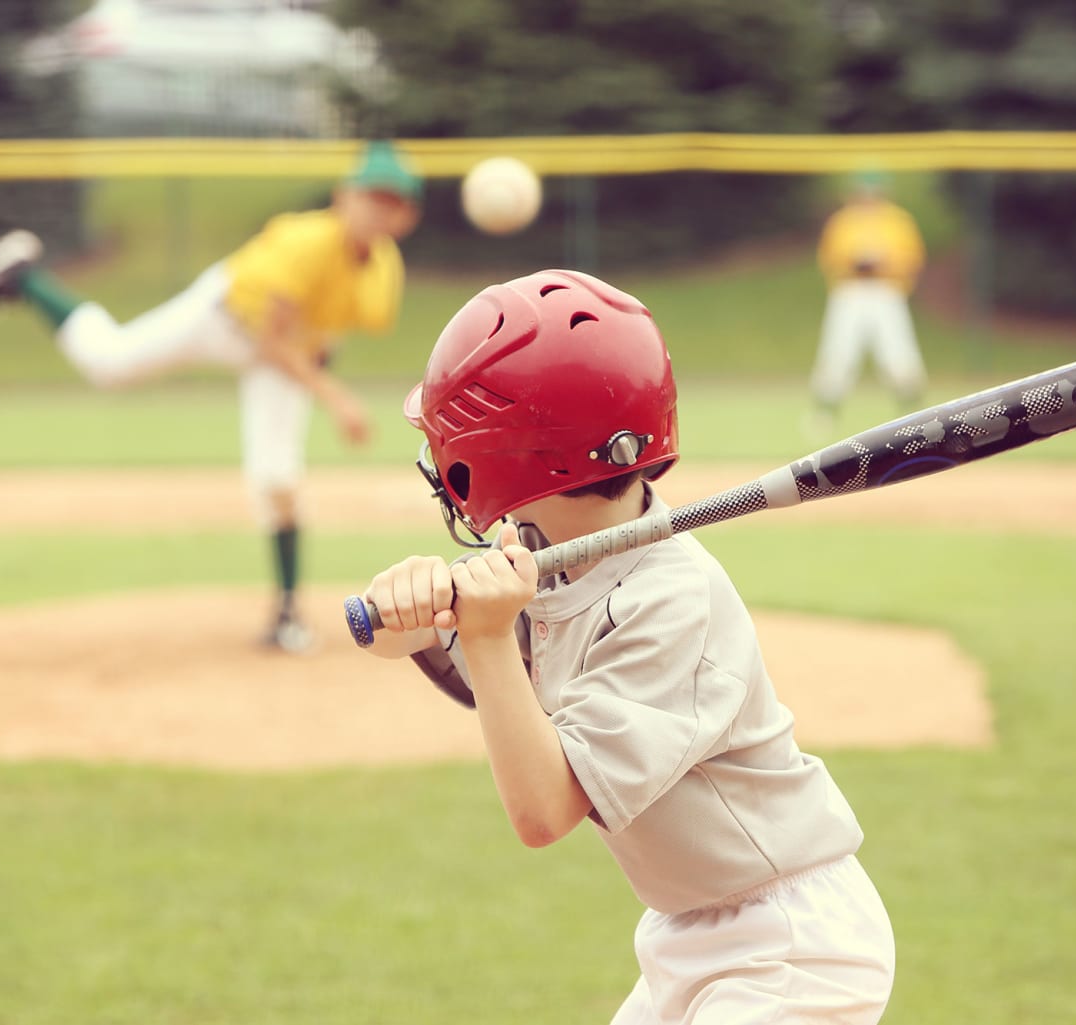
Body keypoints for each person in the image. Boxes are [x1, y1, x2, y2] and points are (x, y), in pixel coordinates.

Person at [361, 270, 895, 1023]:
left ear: (511, 454)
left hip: (790, 946)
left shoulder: (671, 600)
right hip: (688, 930)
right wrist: (409, 612)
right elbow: (457, 663)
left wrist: (481, 634)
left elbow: (543, 811)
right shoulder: (546, 553)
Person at [0, 140, 424, 653]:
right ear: (342, 196)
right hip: (224, 317)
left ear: (406, 217)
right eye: (370, 196)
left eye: (391, 202)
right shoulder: (305, 242)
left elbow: (326, 329)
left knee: (277, 478)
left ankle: (286, 615)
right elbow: (271, 338)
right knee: (110, 362)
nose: (378, 210)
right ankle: (24, 277)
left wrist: (319, 378)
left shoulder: (384, 273)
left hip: (284, 355)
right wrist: (335, 397)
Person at [807, 170, 928, 439]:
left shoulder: (898, 220)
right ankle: (824, 416)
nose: (868, 197)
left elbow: (912, 259)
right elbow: (829, 259)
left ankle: (915, 418)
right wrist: (854, 261)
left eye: (872, 192)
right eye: (863, 192)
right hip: (850, 292)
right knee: (838, 354)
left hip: (887, 291)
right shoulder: (843, 221)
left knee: (899, 355)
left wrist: (884, 262)